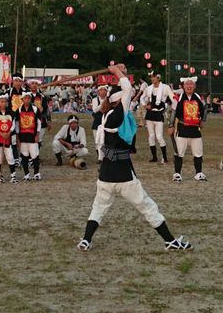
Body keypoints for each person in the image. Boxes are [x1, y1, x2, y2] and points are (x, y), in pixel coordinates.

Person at [77, 65, 192, 252]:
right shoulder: (116, 115)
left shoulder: (107, 115)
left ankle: (86, 240)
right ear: (118, 100)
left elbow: (125, 91)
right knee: (148, 207)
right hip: (123, 175)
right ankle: (170, 241)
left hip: (106, 174)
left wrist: (120, 71)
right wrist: (116, 72)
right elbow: (128, 89)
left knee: (98, 208)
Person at [172, 76, 207, 182]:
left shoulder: (198, 97)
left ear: (194, 86)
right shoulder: (178, 98)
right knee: (179, 152)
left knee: (198, 152)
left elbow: (204, 109)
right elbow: (173, 112)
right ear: (183, 86)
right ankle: (177, 173)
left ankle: (198, 173)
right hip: (182, 128)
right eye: (187, 84)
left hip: (195, 129)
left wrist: (203, 120)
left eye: (191, 84)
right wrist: (170, 125)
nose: (189, 86)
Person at [141, 73, 172, 164]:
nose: (152, 79)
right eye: (151, 77)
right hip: (150, 114)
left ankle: (165, 157)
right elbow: (142, 97)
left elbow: (172, 97)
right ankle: (154, 157)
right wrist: (144, 105)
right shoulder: (149, 88)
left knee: (159, 136)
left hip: (158, 114)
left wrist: (172, 107)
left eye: (154, 77)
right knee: (151, 136)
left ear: (158, 78)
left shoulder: (165, 87)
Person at [0, 94, 18, 183]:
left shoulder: (11, 113)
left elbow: (13, 125)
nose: (3, 103)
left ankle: (13, 175)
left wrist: (8, 133)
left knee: (10, 157)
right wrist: (0, 133)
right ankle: (0, 175)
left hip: (8, 138)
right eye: (1, 102)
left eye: (5, 102)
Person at [16, 92, 42, 181]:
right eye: (25, 98)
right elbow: (17, 124)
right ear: (22, 99)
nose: (27, 100)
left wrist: (37, 135)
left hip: (32, 136)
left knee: (35, 155)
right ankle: (26, 174)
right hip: (23, 136)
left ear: (30, 99)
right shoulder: (19, 110)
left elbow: (39, 122)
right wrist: (17, 138)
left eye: (28, 98)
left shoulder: (35, 109)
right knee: (24, 155)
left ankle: (36, 173)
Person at [28, 78, 51, 147]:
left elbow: (47, 110)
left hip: (41, 120)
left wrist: (48, 121)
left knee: (39, 140)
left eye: (36, 84)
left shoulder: (42, 96)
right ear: (30, 85)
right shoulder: (26, 95)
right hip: (29, 121)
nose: (34, 85)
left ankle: (37, 153)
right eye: (32, 83)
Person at [91, 85, 108, 163]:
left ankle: (104, 156)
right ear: (98, 92)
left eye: (104, 90)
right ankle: (100, 157)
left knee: (105, 141)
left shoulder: (109, 99)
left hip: (106, 122)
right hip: (97, 122)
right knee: (97, 141)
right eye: (101, 90)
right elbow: (94, 110)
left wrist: (102, 108)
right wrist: (103, 105)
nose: (103, 91)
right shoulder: (95, 100)